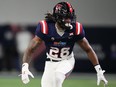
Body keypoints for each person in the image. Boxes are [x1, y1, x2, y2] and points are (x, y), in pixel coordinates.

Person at [20, 1, 108, 87]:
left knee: (57, 77)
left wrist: (99, 70)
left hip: (66, 61)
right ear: (57, 17)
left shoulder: (75, 28)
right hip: (50, 62)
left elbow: (88, 49)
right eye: (66, 17)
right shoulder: (46, 27)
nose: (69, 20)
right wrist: (25, 67)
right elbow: (31, 49)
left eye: (70, 17)